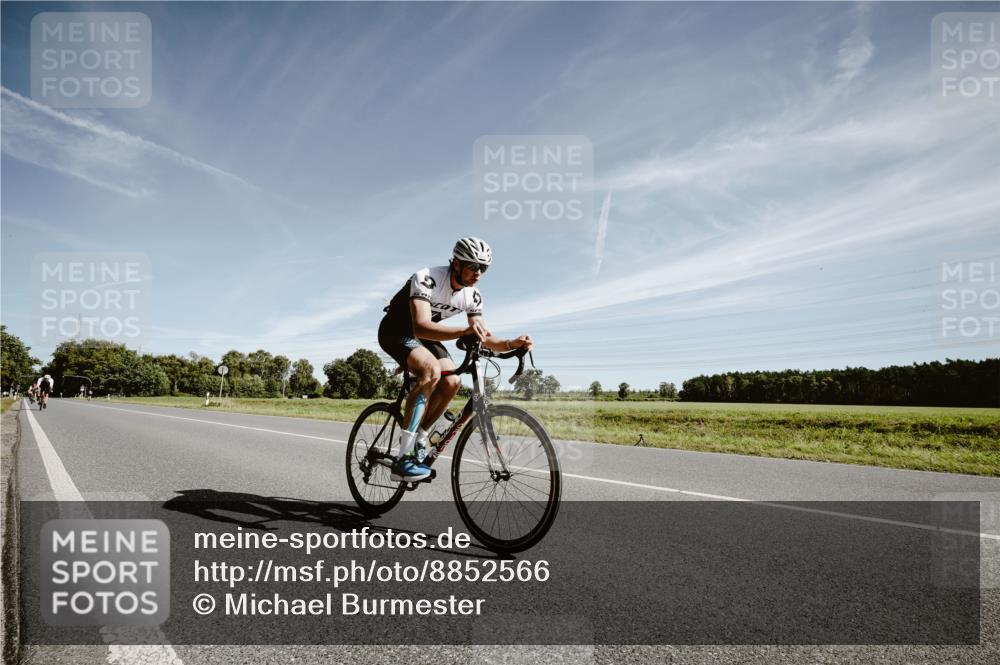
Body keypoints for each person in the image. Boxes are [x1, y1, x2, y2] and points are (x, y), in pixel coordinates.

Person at [378, 237, 533, 481]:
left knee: (452, 382)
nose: (479, 273)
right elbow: (420, 327)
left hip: (426, 337)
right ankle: (403, 459)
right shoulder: (427, 277)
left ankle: (421, 438)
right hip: (396, 331)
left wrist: (512, 344)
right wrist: (463, 331)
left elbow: (483, 336)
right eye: (473, 266)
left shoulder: (473, 296)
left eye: (484, 268)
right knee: (430, 371)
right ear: (457, 264)